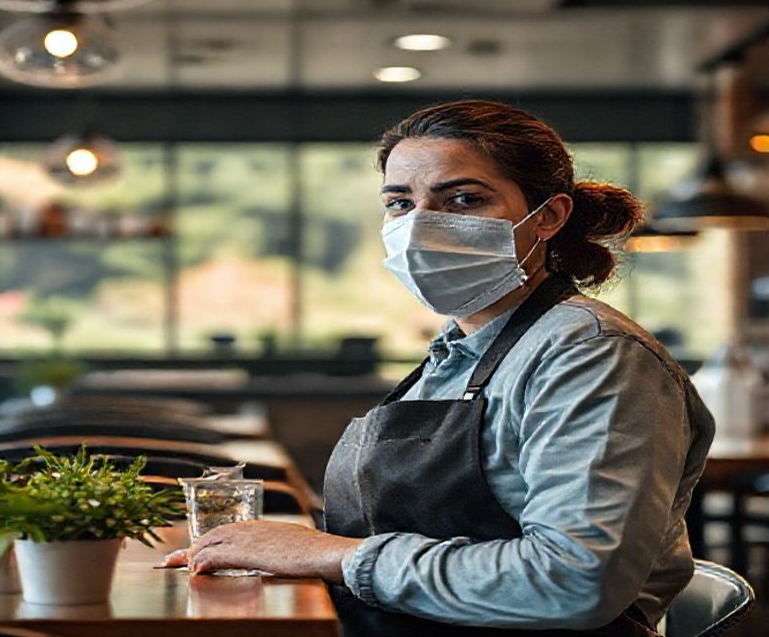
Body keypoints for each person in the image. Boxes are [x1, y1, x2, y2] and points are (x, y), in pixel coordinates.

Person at [162, 100, 715, 636]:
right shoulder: (453, 353)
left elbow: (574, 581)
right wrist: (273, 547)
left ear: (547, 216)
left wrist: (335, 556)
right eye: (400, 203)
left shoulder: (592, 355)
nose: (422, 224)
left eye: (464, 200)